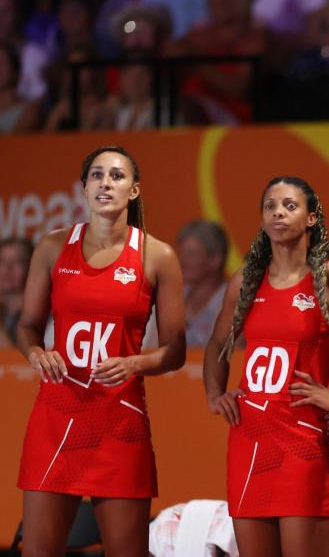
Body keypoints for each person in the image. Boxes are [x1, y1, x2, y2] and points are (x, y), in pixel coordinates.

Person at [203, 176, 329, 557]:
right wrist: (214, 394)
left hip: (303, 442)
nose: (278, 213)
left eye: (289, 205)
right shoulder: (247, 281)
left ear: (310, 218)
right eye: (270, 206)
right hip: (249, 439)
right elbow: (218, 344)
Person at [16, 146, 187, 556]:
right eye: (96, 175)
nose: (105, 183)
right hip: (57, 416)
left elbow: (176, 350)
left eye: (116, 176)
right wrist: (37, 353)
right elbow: (27, 327)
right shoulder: (53, 247)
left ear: (134, 190)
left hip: (119, 419)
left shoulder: (157, 255)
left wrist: (134, 362)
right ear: (84, 188)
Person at [177, 220, 229, 349]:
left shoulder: (232, 302)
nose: (182, 261)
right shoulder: (172, 298)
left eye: (191, 254)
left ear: (215, 259)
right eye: (181, 254)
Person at [0, 237, 33, 348]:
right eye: (2, 261)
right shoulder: (4, 313)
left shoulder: (38, 316)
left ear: (30, 267)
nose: (7, 268)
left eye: (17, 261)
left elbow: (20, 362)